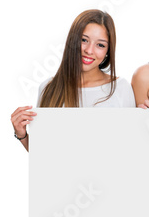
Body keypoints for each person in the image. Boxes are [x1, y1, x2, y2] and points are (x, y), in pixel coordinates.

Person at [11, 9, 135, 151]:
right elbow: (45, 154)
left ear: (108, 51)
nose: (89, 50)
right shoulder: (48, 88)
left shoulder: (120, 88)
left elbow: (131, 149)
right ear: (72, 41)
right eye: (84, 40)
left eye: (100, 45)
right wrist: (22, 134)